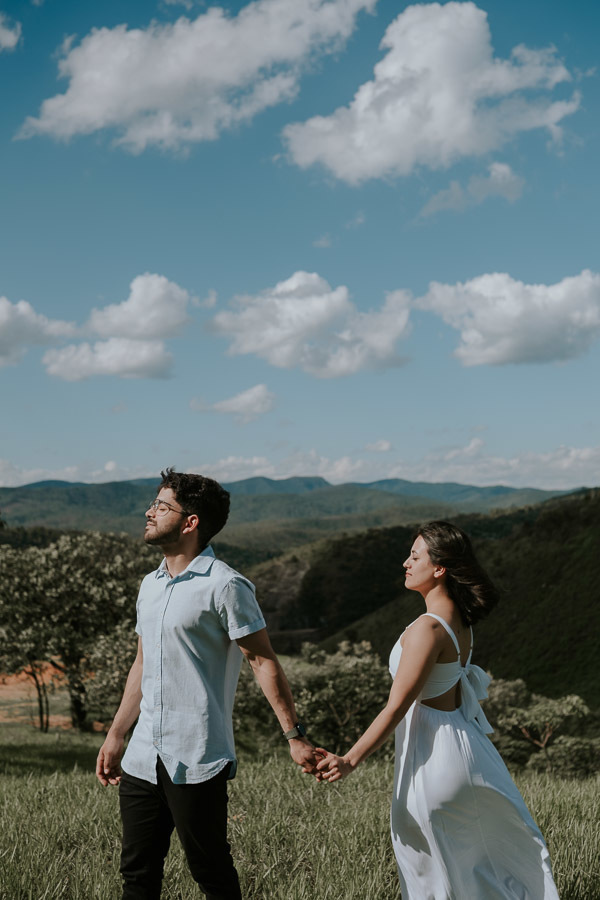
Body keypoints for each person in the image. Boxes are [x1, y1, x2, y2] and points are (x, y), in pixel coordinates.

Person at [96, 468, 319, 900]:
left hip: (195, 756)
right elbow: (142, 664)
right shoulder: (150, 584)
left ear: (190, 522)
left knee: (211, 871)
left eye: (161, 506)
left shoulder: (226, 585)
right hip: (143, 757)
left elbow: (262, 660)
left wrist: (294, 736)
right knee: (137, 874)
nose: (149, 512)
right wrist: (116, 735)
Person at [314, 520, 559, 899]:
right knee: (470, 868)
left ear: (440, 568)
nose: (405, 563)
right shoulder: (460, 621)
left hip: (432, 759)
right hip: (462, 742)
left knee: (429, 872)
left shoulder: (428, 629)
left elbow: (398, 706)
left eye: (415, 556)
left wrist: (350, 759)